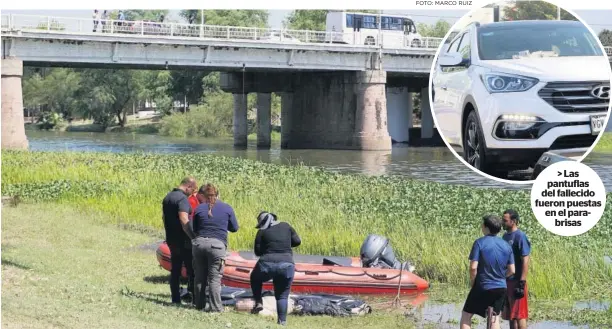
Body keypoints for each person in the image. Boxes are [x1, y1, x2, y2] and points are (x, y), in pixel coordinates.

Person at [461, 215, 515, 329]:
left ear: (485, 227)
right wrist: (500, 278)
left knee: (466, 315)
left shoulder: (479, 243)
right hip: (501, 287)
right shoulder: (506, 245)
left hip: (483, 285)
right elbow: (512, 270)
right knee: (495, 318)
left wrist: (474, 282)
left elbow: (473, 267)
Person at [192, 183, 239, 312]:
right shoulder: (227, 208)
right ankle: (216, 307)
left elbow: (194, 228)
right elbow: (234, 228)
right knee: (214, 278)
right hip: (217, 246)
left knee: (199, 277)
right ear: (218, 195)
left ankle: (199, 305)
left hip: (199, 244)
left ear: (204, 196)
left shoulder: (199, 208)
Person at [250, 211, 301, 326]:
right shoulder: (286, 226)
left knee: (255, 278)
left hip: (266, 264)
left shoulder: (261, 232)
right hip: (287, 265)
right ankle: (282, 322)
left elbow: (257, 252)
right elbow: (297, 241)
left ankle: (258, 301)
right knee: (282, 295)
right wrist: (286, 244)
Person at [162, 177, 198, 305]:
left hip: (171, 239)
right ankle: (195, 300)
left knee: (175, 270)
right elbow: (184, 219)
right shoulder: (182, 199)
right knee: (191, 270)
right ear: (188, 186)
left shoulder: (168, 197)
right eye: (193, 190)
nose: (193, 193)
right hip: (184, 240)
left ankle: (175, 299)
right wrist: (193, 237)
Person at [502, 209, 531, 329]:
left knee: (520, 315)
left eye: (505, 220)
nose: (502, 222)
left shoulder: (520, 236)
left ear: (513, 221)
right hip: (507, 280)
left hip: (517, 281)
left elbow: (525, 259)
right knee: (510, 315)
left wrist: (522, 282)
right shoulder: (504, 236)